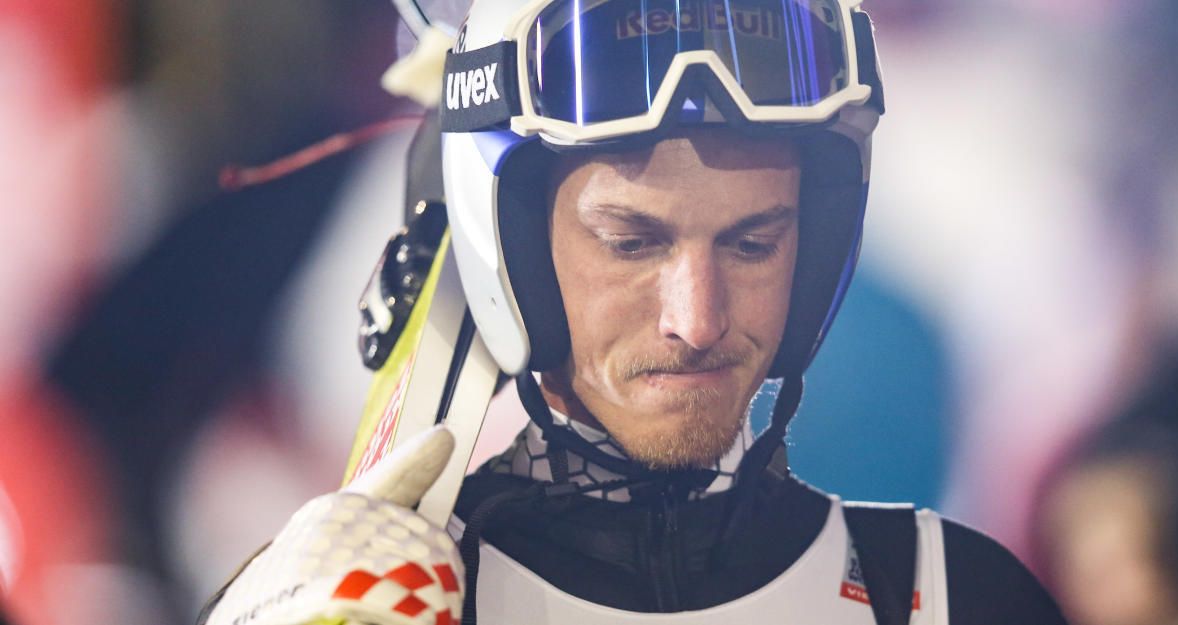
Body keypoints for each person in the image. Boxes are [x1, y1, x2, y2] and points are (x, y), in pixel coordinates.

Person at [199, 0, 1068, 623]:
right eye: (631, 242)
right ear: (511, 254)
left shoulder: (957, 597)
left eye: (753, 244)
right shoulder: (376, 599)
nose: (699, 319)